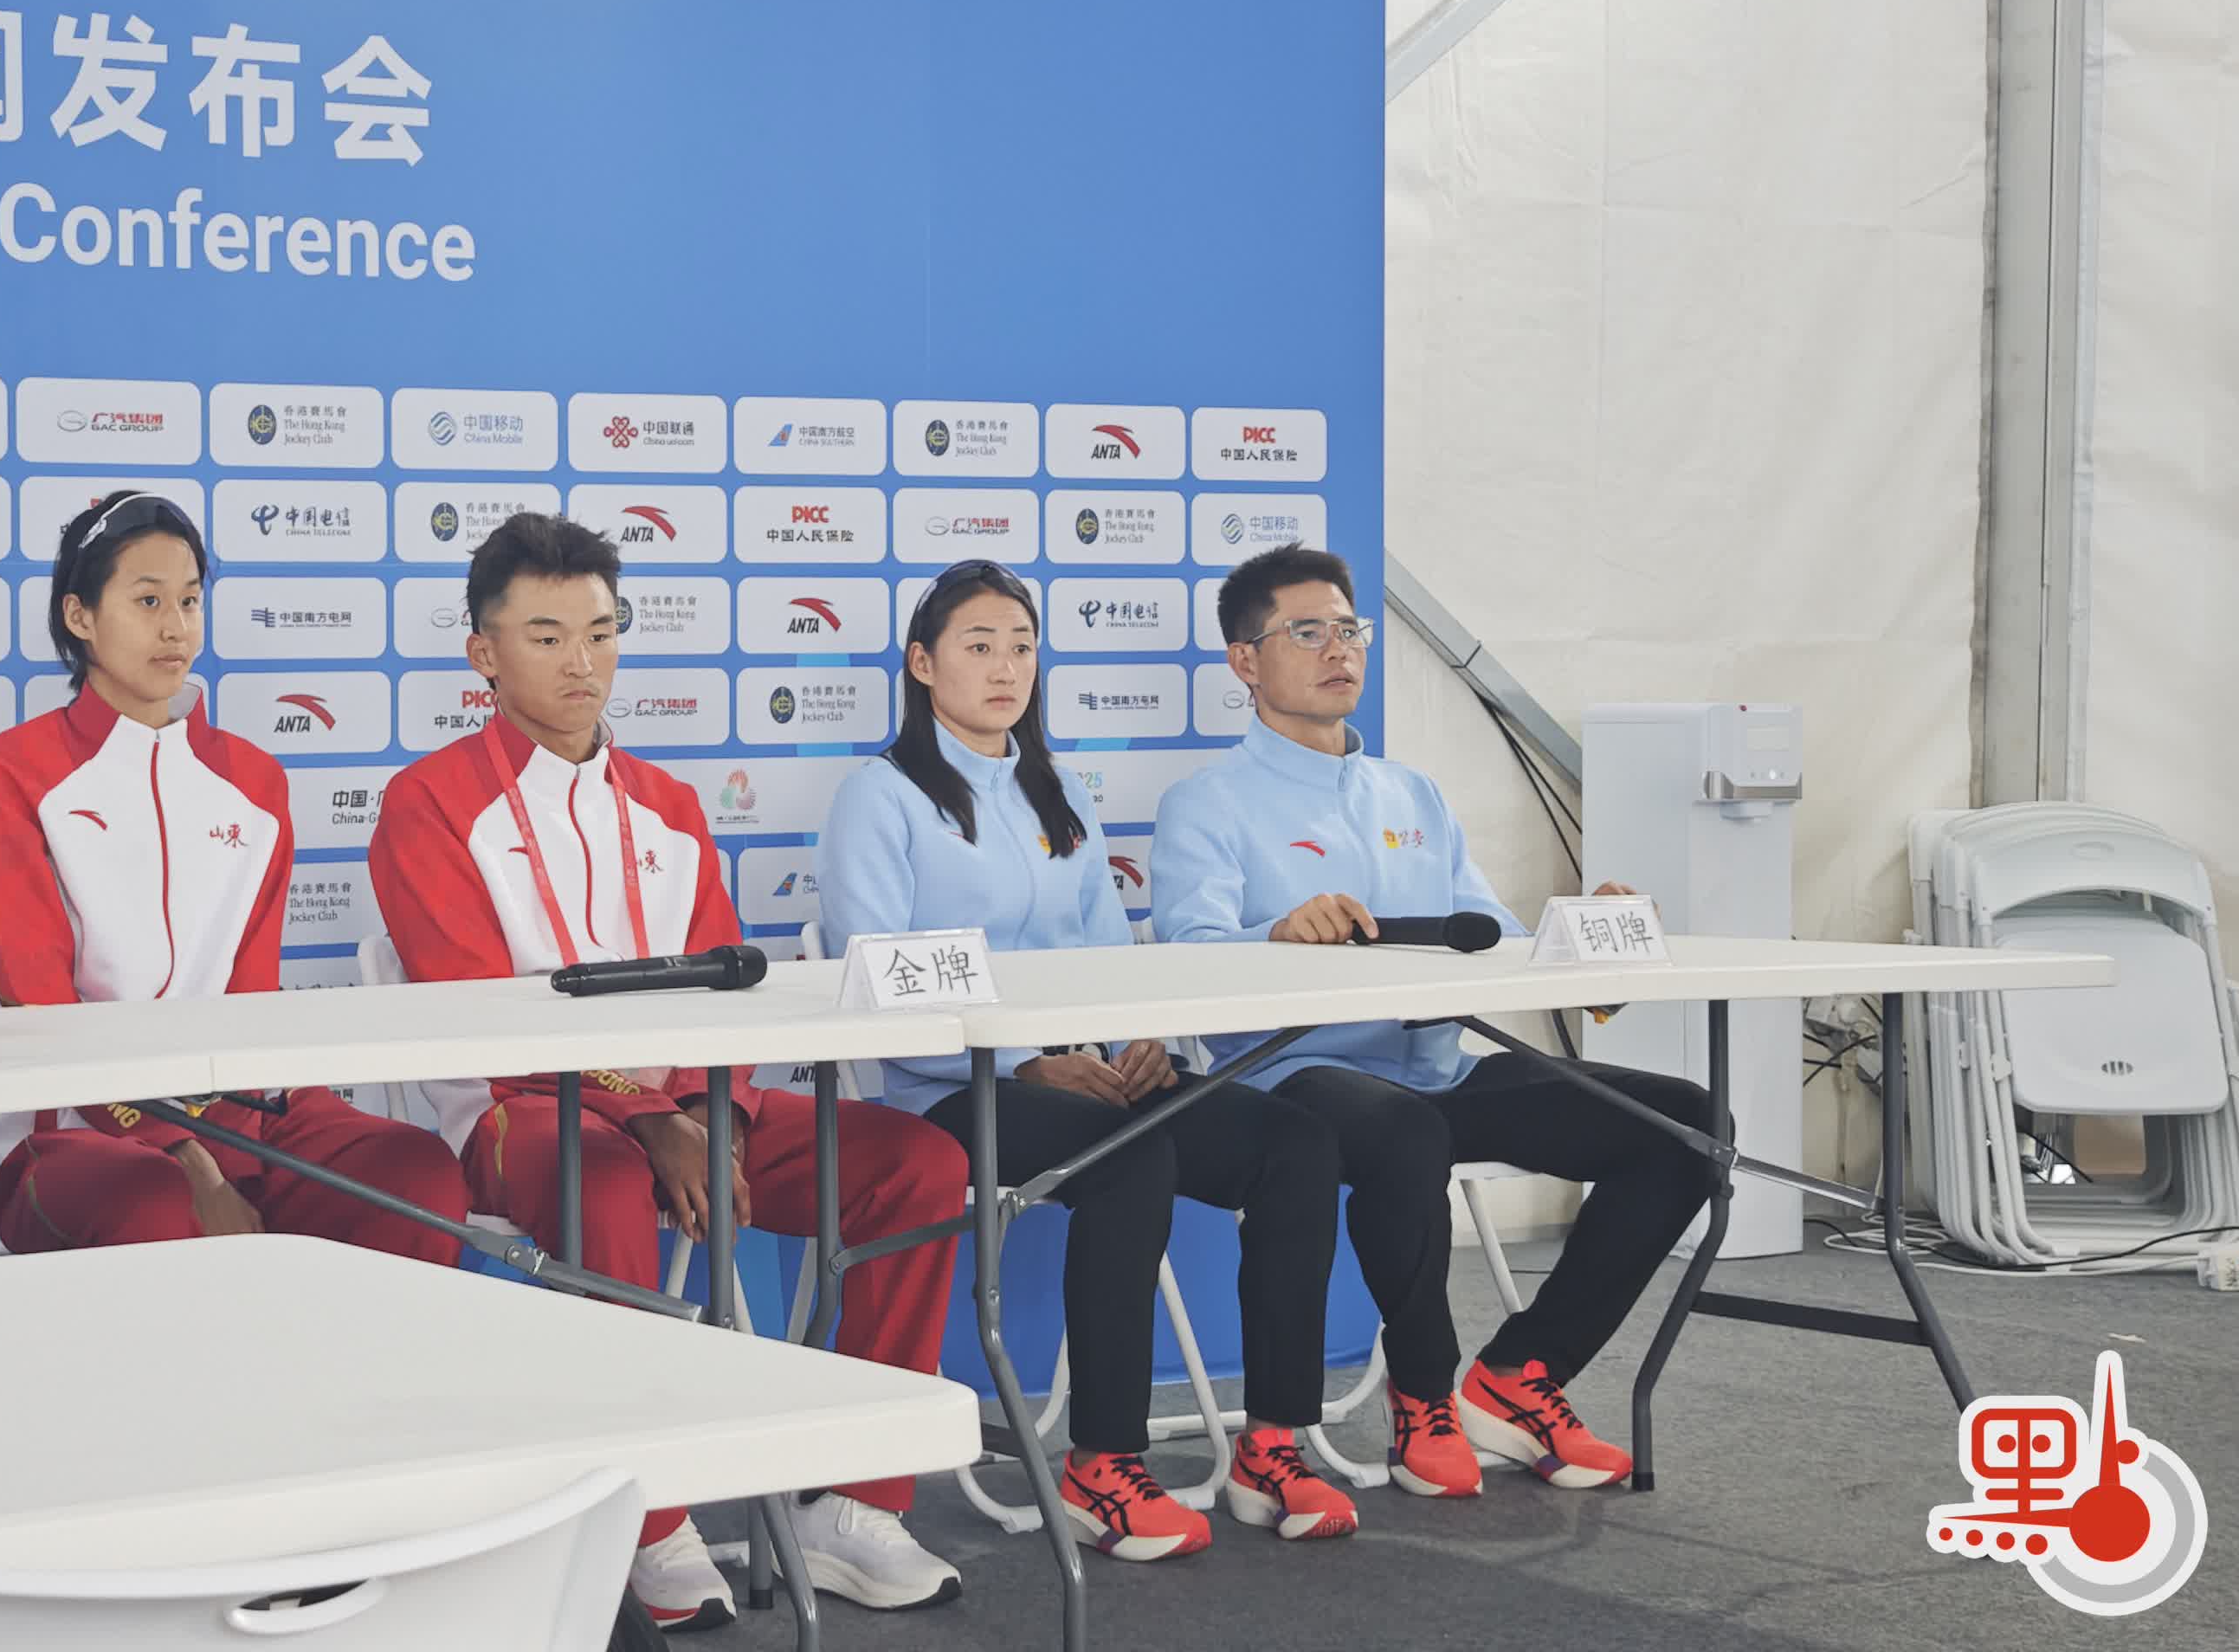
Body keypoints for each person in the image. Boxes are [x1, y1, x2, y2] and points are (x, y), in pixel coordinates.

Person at [368, 513, 970, 1629]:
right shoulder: (428, 803)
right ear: (483, 653)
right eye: (546, 636)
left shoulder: (669, 803)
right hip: (518, 1115)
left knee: (915, 1164)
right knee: (599, 1178)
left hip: (688, 1111)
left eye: (600, 633)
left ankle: (855, 1501)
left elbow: (722, 990)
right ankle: (647, 1522)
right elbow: (482, 1019)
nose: (581, 661)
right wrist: (653, 1120)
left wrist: (709, 1110)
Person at [1152, 543, 1714, 1495]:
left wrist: (1588, 939)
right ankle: (1422, 1398)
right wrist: (1275, 934)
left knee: (1685, 1125)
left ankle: (1521, 1377)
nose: (1339, 649)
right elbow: (1188, 958)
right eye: (1306, 632)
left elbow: (1489, 939)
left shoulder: (1410, 793)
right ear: (1245, 660)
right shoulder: (1204, 804)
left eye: (1350, 629)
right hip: (1293, 1082)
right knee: (1403, 1130)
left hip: (1435, 1070)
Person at [820, 563, 1358, 1554]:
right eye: (979, 646)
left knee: (1293, 1145)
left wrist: (1142, 1038)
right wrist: (1027, 1062)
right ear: (922, 663)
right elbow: (882, 985)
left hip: (1091, 1077)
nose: (1005, 668)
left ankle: (1273, 1445)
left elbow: (1112, 952)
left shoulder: (1057, 790)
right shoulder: (879, 798)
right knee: (1129, 1158)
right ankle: (1102, 1465)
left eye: (1021, 647)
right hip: (952, 1091)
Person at [0, 493, 468, 1259]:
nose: (176, 627)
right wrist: (188, 1159)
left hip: (243, 1112)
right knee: (151, 1201)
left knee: (413, 1172)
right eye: (148, 601)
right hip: (73, 1126)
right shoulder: (2, 778)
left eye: (189, 600)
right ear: (80, 616)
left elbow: (251, 996)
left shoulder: (255, 782)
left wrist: (224, 1141)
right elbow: (41, 1009)